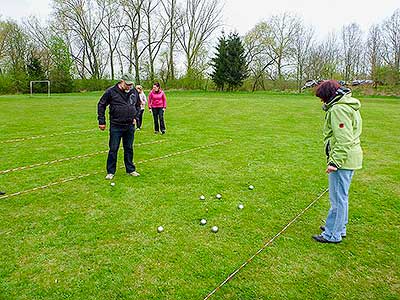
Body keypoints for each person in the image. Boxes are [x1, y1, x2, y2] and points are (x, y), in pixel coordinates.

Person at [312, 80, 363, 243]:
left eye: (322, 98)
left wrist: (335, 162)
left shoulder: (338, 109)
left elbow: (344, 140)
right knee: (341, 196)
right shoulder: (346, 104)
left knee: (338, 198)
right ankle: (338, 227)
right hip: (349, 158)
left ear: (328, 96)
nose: (322, 101)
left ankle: (332, 234)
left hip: (344, 160)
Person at [97, 74, 141, 180]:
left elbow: (138, 105)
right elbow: (101, 104)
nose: (129, 86)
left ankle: (130, 169)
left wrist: (136, 117)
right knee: (113, 148)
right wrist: (101, 121)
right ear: (122, 81)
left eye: (131, 84)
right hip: (116, 125)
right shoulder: (111, 91)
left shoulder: (134, 91)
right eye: (127, 84)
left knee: (129, 148)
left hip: (130, 125)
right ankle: (110, 171)